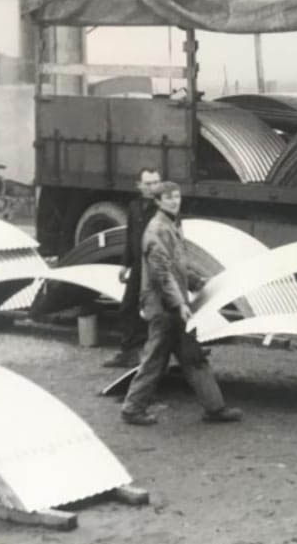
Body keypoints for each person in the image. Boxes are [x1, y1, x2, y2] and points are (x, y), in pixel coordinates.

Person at [121, 181, 242, 425]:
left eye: (177, 196)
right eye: (168, 197)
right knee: (157, 358)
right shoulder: (156, 230)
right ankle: (132, 409)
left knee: (192, 355)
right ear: (157, 202)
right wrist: (180, 304)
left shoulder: (171, 225)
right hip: (164, 307)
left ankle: (215, 408)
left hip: (173, 305)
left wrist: (196, 282)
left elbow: (177, 265)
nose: (175, 201)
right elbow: (162, 274)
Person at [103, 167, 161, 368]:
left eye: (155, 183)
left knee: (159, 311)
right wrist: (124, 265)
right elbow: (130, 238)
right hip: (137, 266)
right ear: (139, 185)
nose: (152, 187)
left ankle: (159, 355)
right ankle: (129, 352)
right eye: (148, 183)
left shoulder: (164, 208)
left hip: (156, 268)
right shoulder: (134, 207)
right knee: (127, 307)